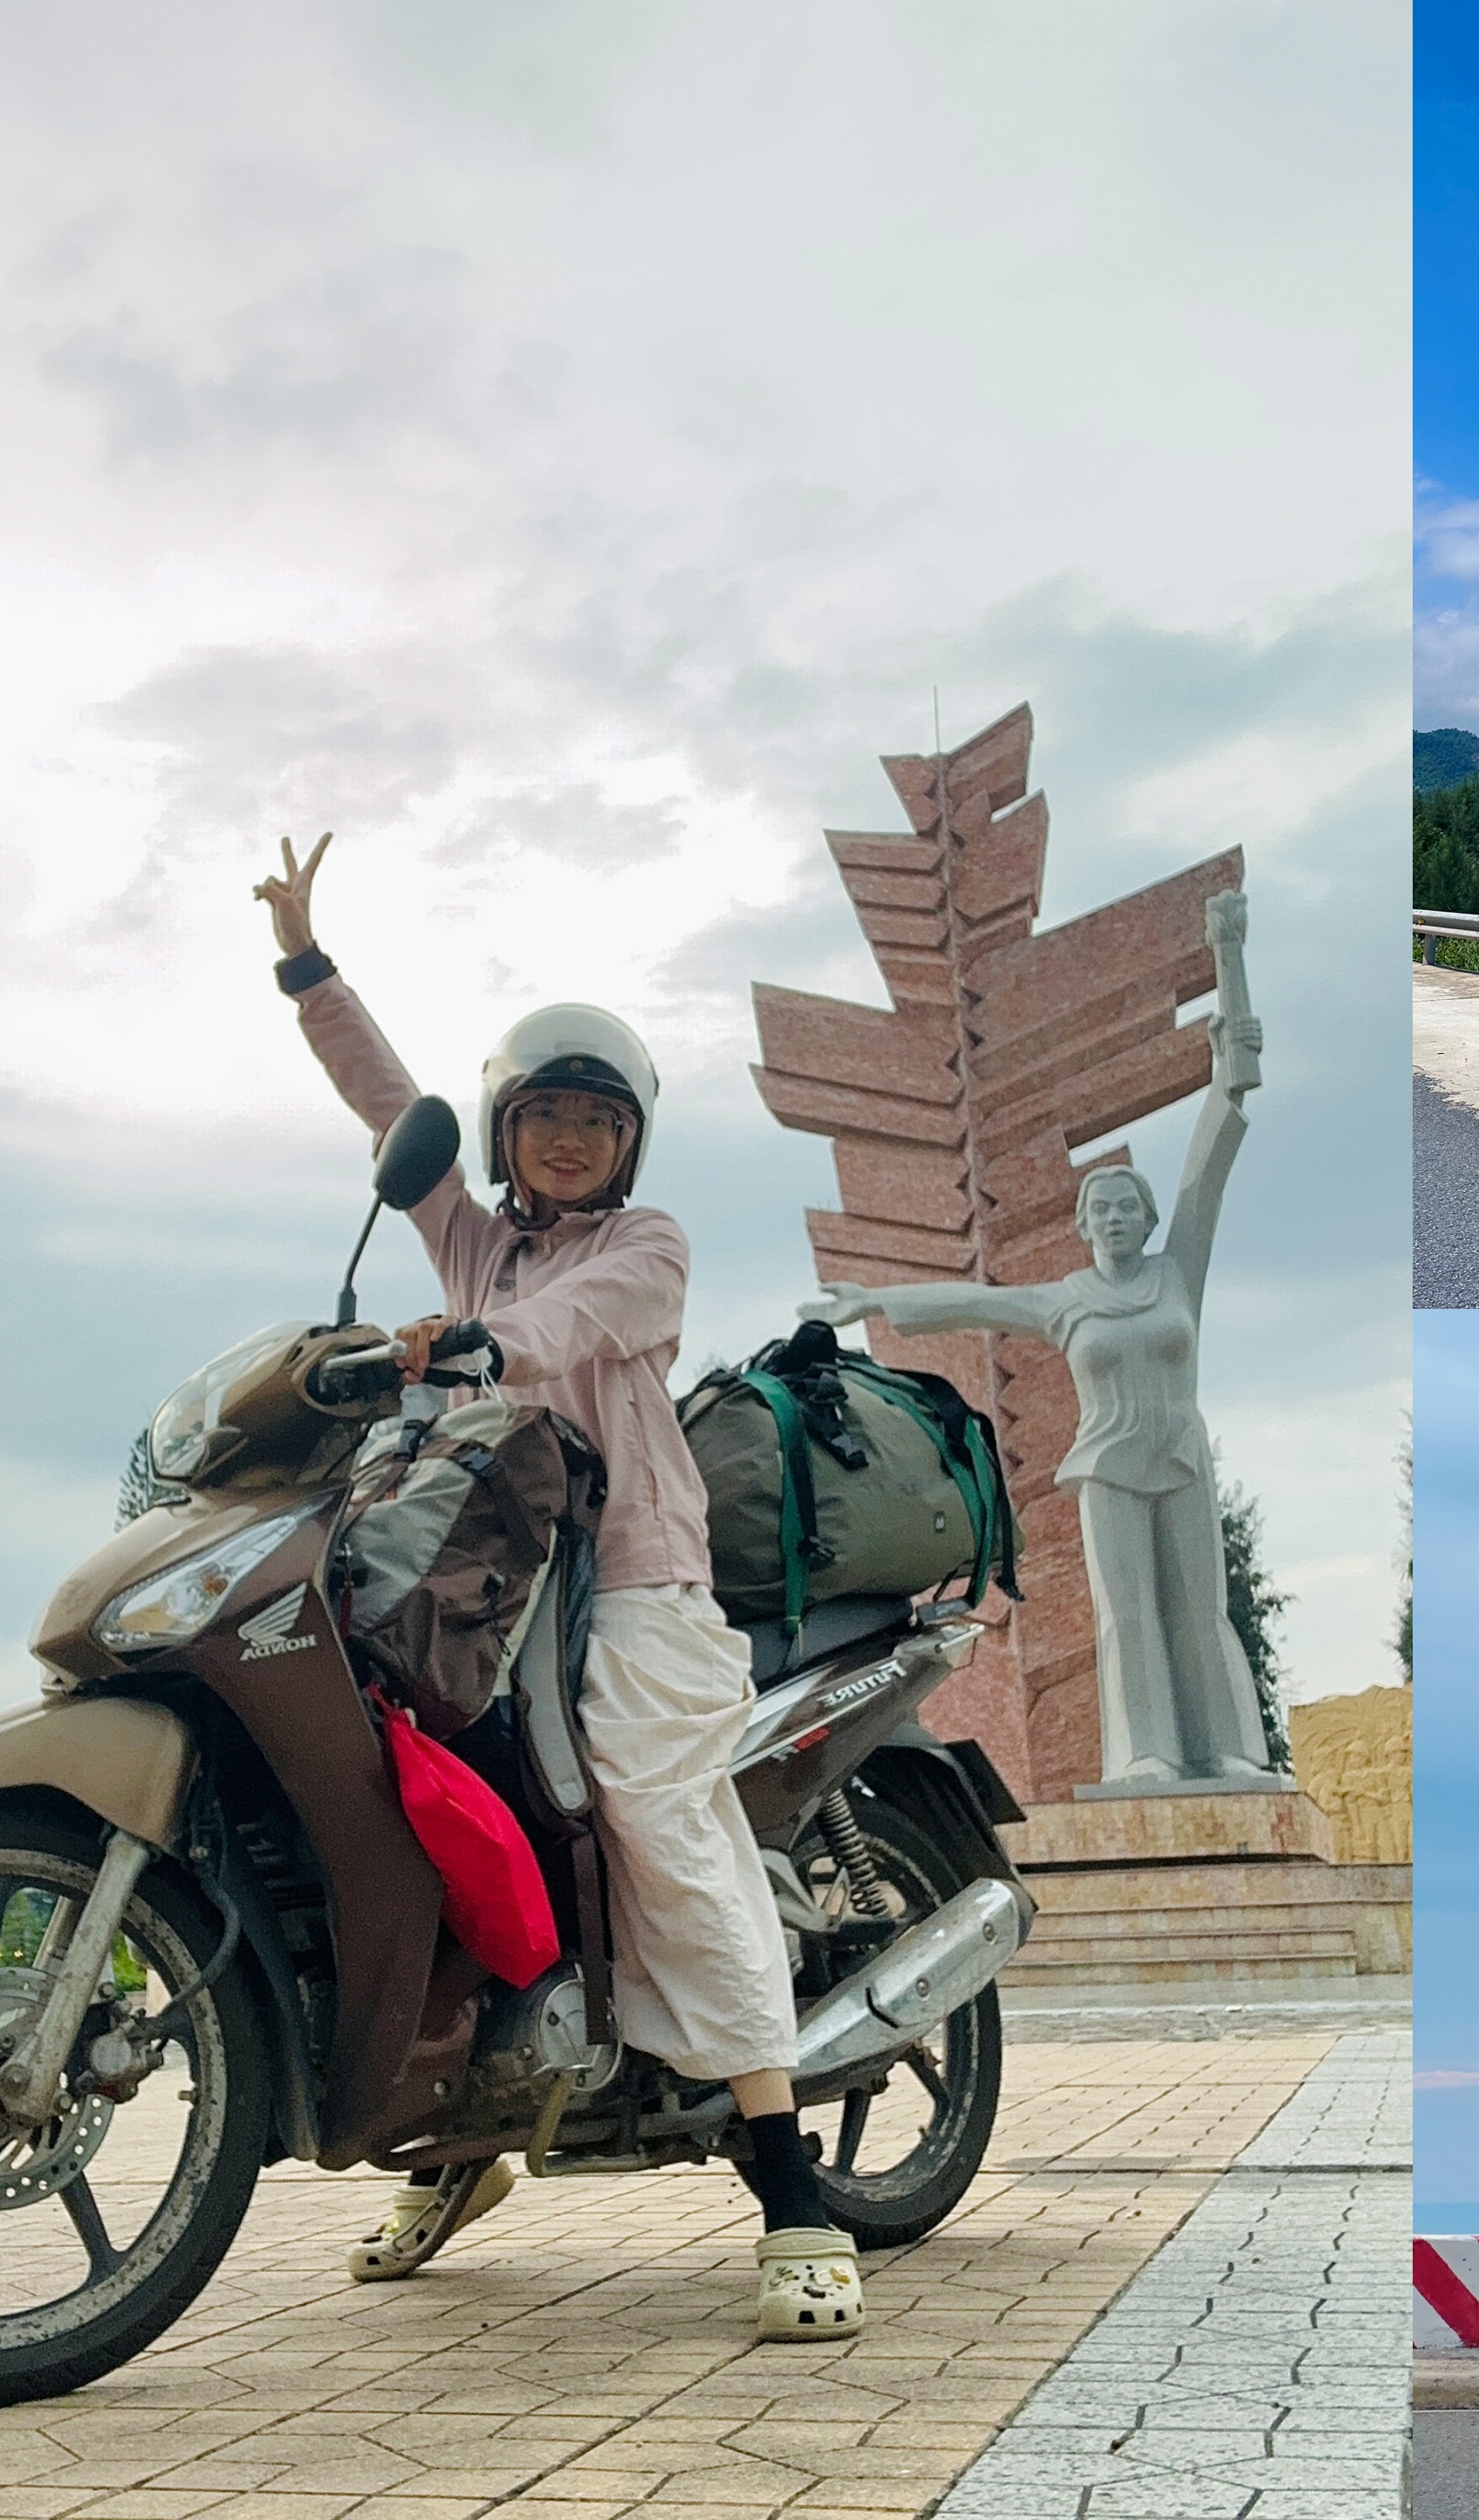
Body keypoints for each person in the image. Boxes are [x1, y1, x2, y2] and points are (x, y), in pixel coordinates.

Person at [252, 832, 861, 2344]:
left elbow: (584, 1322)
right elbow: (398, 1115)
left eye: (599, 1119)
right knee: (423, 1823)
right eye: (547, 1118)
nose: (571, 1139)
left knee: (658, 1826)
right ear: (512, 1132)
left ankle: (788, 2187)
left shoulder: (640, 1246)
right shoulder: (469, 1239)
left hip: (634, 1587)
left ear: (628, 1141)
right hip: (479, 1587)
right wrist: (308, 966)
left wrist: (474, 1346)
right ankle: (466, 2147)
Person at [803, 888, 1270, 1785]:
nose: (1120, 1217)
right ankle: (1148, 1756)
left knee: (1199, 1608)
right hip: (1105, 1467)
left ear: (1146, 1216)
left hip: (1179, 1452)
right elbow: (968, 1302)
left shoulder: (1181, 1272)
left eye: (1130, 1205)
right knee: (1126, 1616)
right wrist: (872, 1294)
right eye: (1103, 1209)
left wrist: (1230, 958)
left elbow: (1222, 1124)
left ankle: (1230, 1753)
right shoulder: (1065, 1299)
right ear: (1084, 1227)